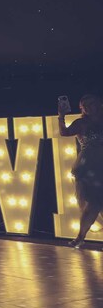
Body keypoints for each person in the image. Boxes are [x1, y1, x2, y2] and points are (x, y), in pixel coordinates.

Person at [59, 94, 103, 248]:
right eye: (86, 105)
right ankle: (80, 237)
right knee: (93, 203)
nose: (90, 107)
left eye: (92, 103)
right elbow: (64, 133)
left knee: (97, 203)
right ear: (82, 108)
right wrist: (61, 116)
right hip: (90, 166)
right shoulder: (82, 123)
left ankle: (80, 238)